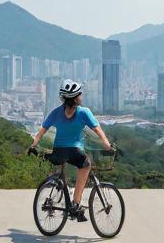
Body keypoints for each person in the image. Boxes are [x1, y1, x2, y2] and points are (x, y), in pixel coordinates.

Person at [30, 79, 113, 222]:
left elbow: (41, 132)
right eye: (80, 94)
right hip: (75, 150)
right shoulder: (83, 112)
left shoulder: (56, 112)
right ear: (76, 97)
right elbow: (97, 130)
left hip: (58, 151)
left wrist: (32, 145)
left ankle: (59, 188)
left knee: (61, 170)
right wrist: (107, 144)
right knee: (86, 164)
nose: (81, 97)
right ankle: (75, 203)